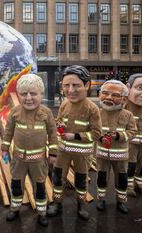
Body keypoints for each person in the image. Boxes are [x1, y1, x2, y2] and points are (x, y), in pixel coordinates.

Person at [1, 74, 59, 227]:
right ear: (19, 95)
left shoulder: (46, 113)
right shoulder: (14, 112)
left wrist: (53, 153)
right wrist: (4, 149)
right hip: (18, 160)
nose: (28, 98)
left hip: (38, 162)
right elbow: (8, 132)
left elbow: (53, 134)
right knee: (16, 185)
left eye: (33, 93)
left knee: (39, 187)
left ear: (41, 94)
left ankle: (41, 213)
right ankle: (15, 208)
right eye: (23, 94)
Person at [47, 65, 102, 221]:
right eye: (66, 85)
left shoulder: (92, 108)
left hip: (82, 154)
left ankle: (81, 205)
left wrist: (75, 136)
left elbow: (97, 134)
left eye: (76, 85)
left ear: (86, 85)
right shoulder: (64, 104)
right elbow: (59, 120)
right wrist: (58, 125)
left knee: (81, 180)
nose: (70, 90)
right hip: (62, 151)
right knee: (57, 178)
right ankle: (57, 204)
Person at [95, 80, 137, 214]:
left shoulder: (127, 115)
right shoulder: (97, 113)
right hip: (102, 154)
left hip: (120, 155)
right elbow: (92, 130)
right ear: (100, 94)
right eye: (105, 93)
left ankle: (121, 201)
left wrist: (119, 135)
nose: (108, 98)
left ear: (123, 99)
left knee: (122, 178)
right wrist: (100, 137)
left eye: (114, 95)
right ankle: (101, 199)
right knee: (101, 177)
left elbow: (133, 132)